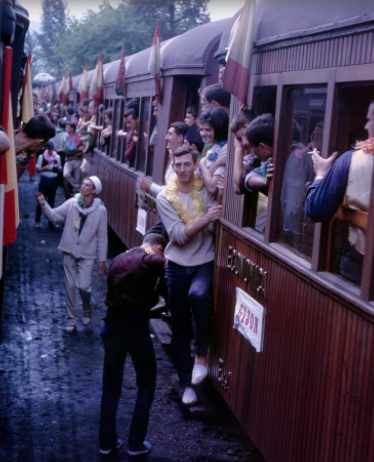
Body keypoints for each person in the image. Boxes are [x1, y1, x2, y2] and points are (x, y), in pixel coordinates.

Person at [156, 146, 222, 406]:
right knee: (180, 325)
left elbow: (218, 219)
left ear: (195, 165)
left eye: (187, 164)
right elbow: (178, 235)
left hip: (204, 261)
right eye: (178, 165)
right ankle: (186, 385)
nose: (182, 169)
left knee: (199, 294)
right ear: (172, 166)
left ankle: (201, 355)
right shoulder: (165, 197)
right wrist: (206, 219)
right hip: (177, 265)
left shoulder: (205, 189)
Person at [99, 233, 167, 457]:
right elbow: (168, 265)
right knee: (146, 385)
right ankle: (136, 444)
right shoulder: (150, 259)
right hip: (135, 328)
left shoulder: (119, 258)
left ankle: (106, 442)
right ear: (157, 248)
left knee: (111, 386)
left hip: (112, 326)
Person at [305, 102, 374, 284]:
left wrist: (320, 176)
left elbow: (316, 210)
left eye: (370, 120)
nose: (366, 126)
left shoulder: (351, 161)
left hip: (360, 267)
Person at [36, 176, 108, 333]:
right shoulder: (72, 204)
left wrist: (102, 259)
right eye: (82, 184)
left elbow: (102, 236)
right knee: (70, 286)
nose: (82, 186)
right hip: (69, 250)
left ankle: (87, 309)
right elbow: (54, 216)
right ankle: (71, 320)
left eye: (87, 185)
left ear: (94, 190)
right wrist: (43, 204)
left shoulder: (101, 211)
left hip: (87, 254)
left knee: (84, 286)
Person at [15, 114, 56, 181]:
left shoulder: (24, 153)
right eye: (43, 146)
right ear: (39, 142)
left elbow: (12, 169)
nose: (42, 148)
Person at [198, 108, 229, 195]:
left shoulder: (225, 149)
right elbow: (202, 181)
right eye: (201, 130)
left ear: (219, 129)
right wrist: (217, 163)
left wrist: (202, 163)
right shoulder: (212, 148)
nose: (203, 134)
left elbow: (212, 187)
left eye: (207, 130)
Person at [230, 109, 259, 195]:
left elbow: (238, 187)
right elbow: (238, 187)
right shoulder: (252, 157)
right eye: (239, 139)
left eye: (246, 134)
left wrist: (239, 149)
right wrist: (239, 148)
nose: (244, 142)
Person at [34, 141, 62, 228]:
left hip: (53, 179)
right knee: (41, 200)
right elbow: (37, 170)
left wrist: (57, 168)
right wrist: (44, 168)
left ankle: (51, 221)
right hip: (44, 179)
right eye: (49, 149)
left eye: (52, 149)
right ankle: (37, 220)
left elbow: (60, 170)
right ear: (46, 148)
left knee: (51, 201)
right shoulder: (41, 157)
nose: (50, 151)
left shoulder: (57, 157)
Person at [62, 122, 84, 195]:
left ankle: (77, 196)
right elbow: (67, 152)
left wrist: (75, 150)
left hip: (78, 159)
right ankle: (78, 188)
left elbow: (84, 147)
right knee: (66, 174)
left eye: (67, 127)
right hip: (69, 159)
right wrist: (77, 150)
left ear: (72, 129)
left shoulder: (79, 136)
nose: (66, 129)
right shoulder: (65, 137)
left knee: (77, 179)